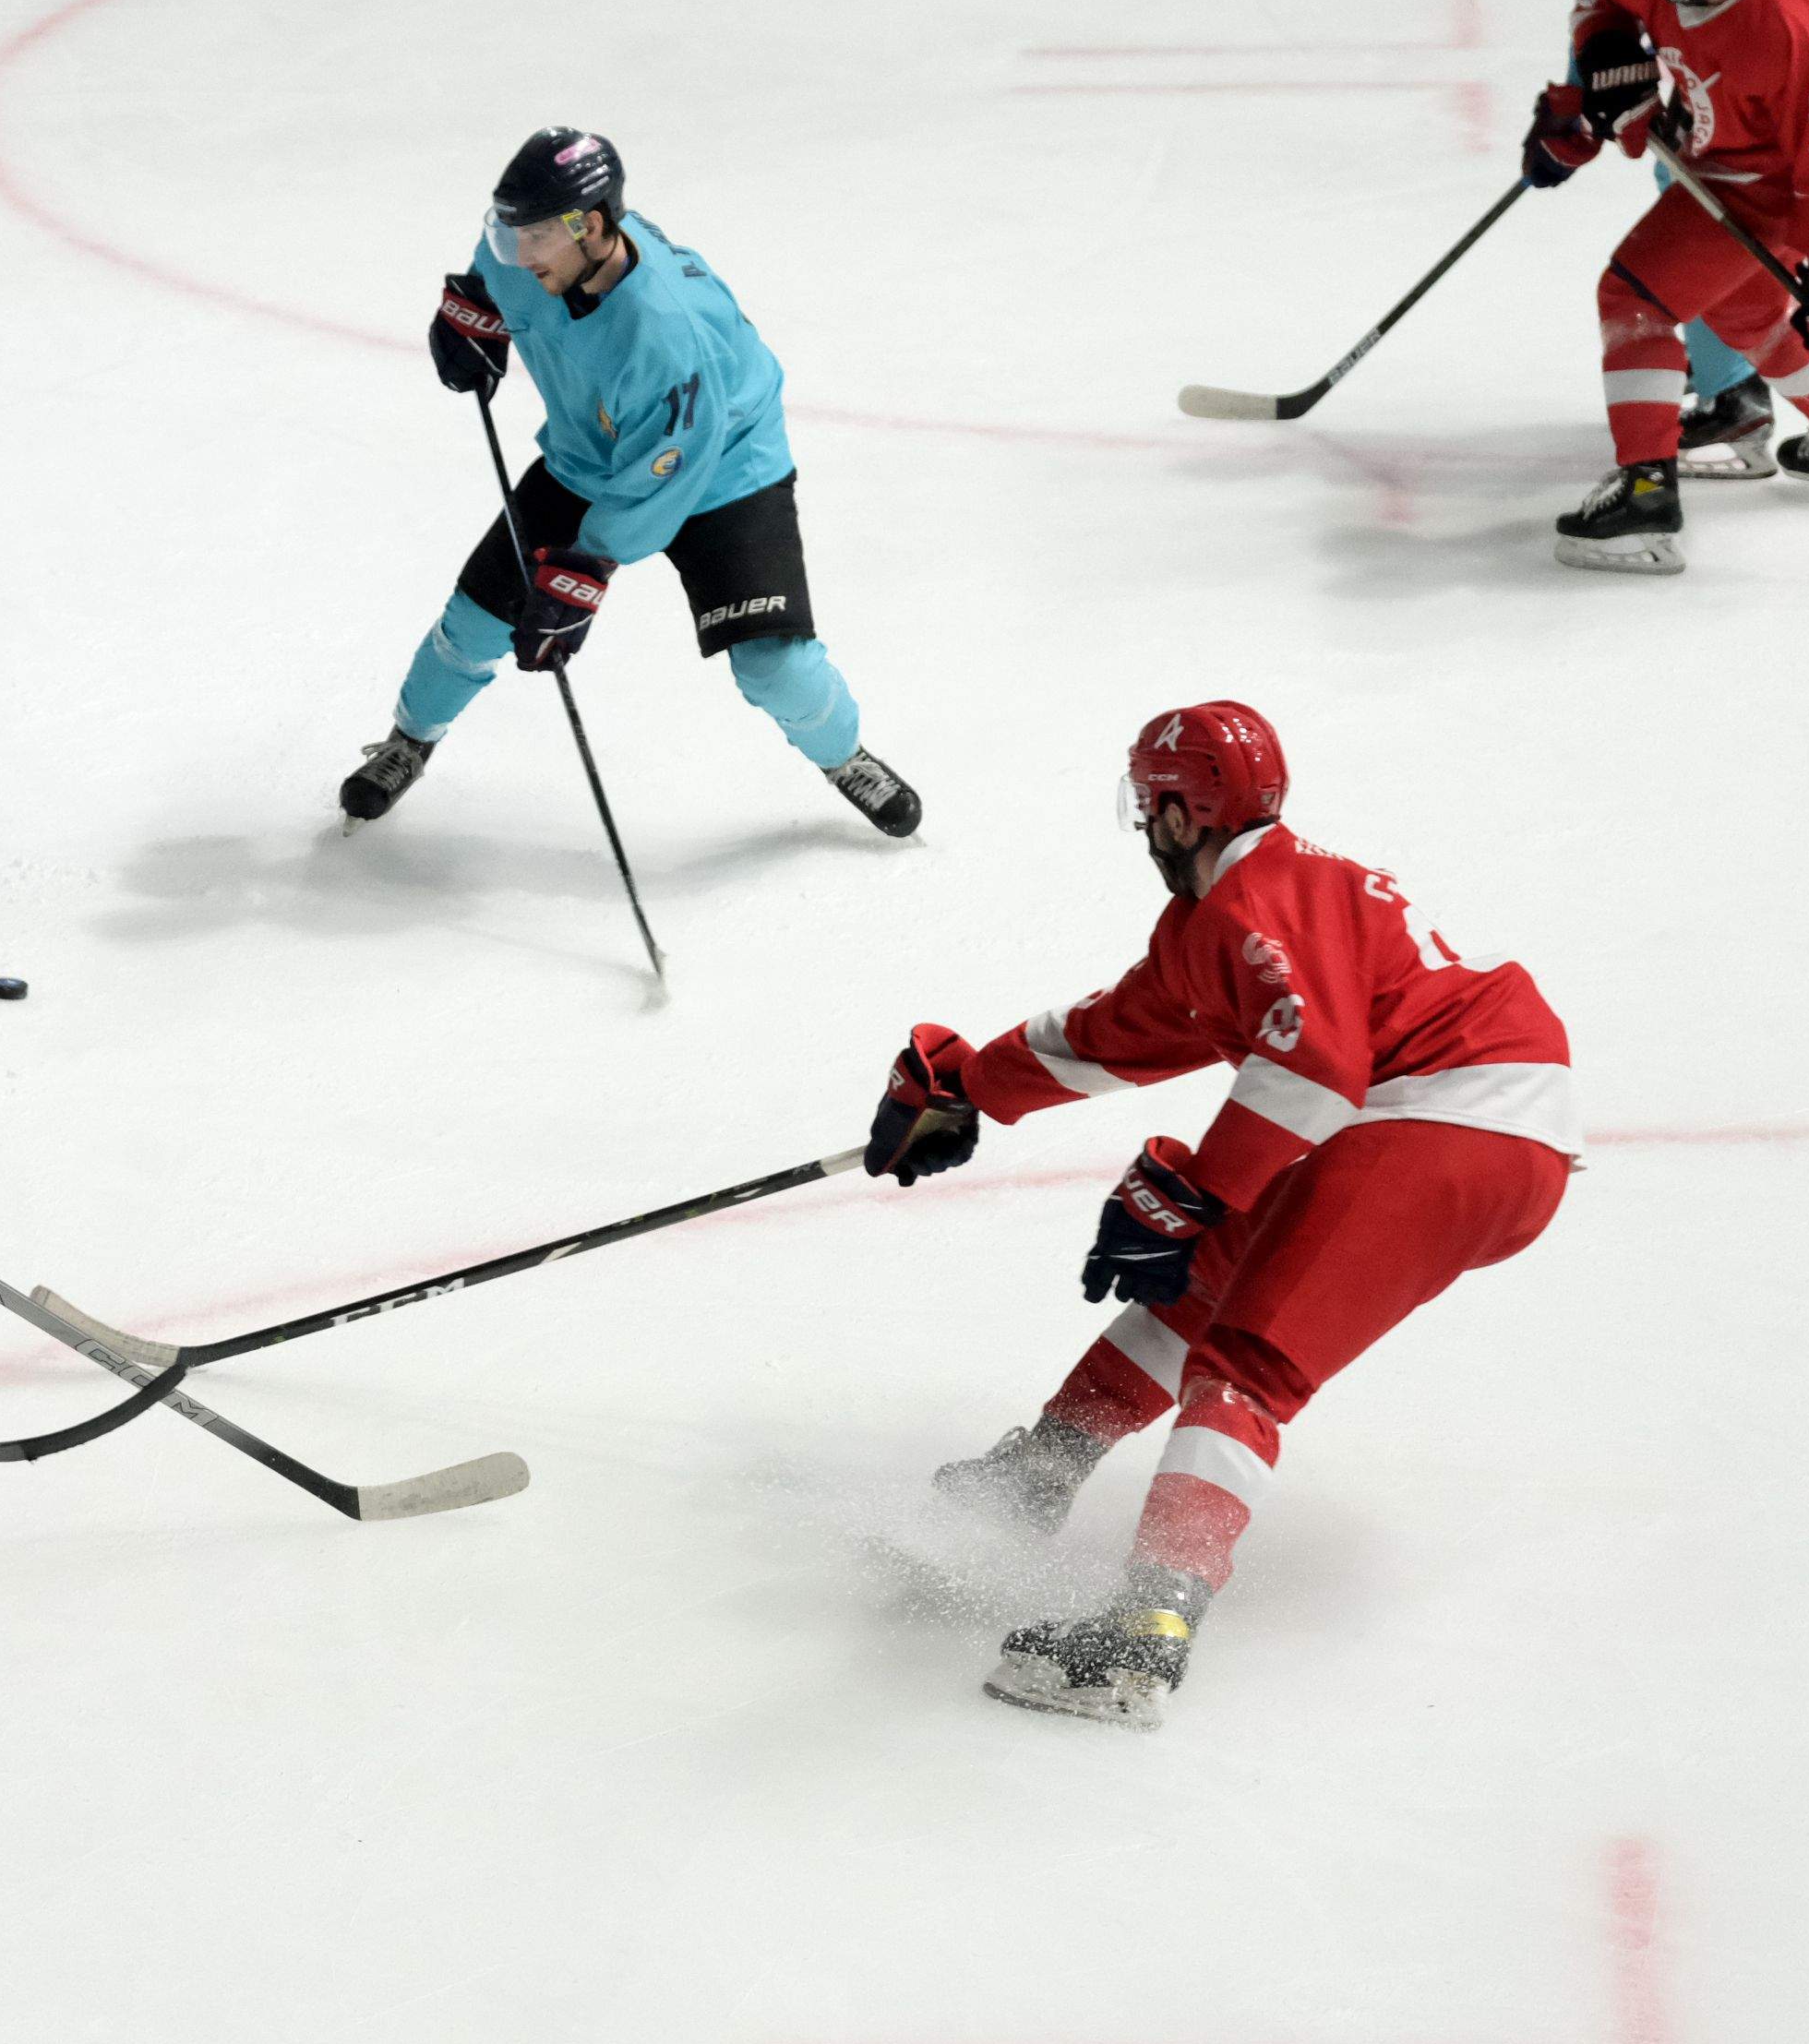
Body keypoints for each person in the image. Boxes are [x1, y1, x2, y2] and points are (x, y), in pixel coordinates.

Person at [863, 705, 1576, 1728]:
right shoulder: (1223, 916)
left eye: (1149, 801)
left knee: (1243, 1365)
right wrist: (967, 1082)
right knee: (1194, 1286)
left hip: (1455, 1118)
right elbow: (1119, 1031)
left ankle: (1145, 1633)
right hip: (1436, 1121)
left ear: (1181, 807)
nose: (1141, 823)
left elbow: (1318, 1066)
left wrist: (1199, 1188)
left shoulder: (1263, 897)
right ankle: (1041, 1472)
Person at [340, 127, 925, 839]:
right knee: (475, 621)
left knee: (775, 668)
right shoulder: (531, 255)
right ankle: (408, 740)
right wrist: (474, 315)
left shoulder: (664, 335)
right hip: (591, 455)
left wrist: (583, 571)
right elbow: (493, 277)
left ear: (589, 227)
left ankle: (845, 756)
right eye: (509, 236)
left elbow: (664, 477)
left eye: (534, 239)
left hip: (724, 468)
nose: (518, 256)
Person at [1521, 0, 1809, 576]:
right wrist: (1605, 60)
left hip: (1773, 185)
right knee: (1746, 317)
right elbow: (1601, 0)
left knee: (1635, 297)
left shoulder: (1793, 29)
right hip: (1712, 155)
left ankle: (1646, 498)